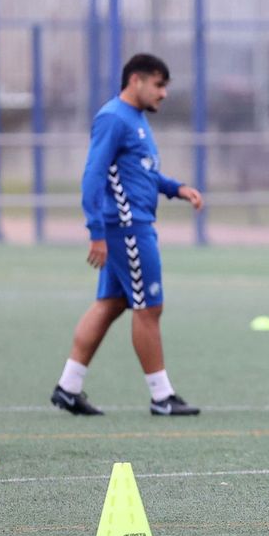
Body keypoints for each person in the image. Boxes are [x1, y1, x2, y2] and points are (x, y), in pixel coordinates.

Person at [50, 54, 205, 417]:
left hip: (131, 225)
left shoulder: (134, 120)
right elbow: (93, 175)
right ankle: (161, 396)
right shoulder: (113, 118)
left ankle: (68, 387)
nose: (164, 93)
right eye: (158, 84)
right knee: (150, 308)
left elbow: (143, 174)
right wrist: (96, 232)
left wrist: (176, 188)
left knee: (111, 303)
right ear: (136, 80)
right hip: (127, 228)